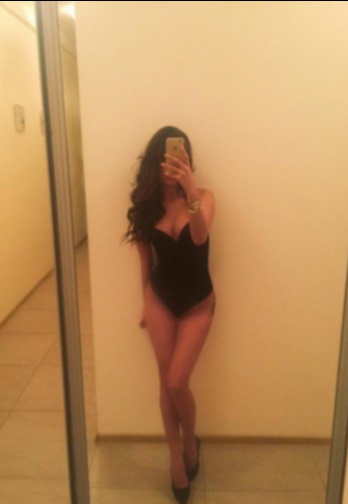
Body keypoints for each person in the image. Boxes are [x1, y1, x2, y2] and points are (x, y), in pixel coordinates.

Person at [122, 125, 216, 503]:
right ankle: (176, 458)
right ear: (154, 162)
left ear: (187, 159)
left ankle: (191, 444)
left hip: (198, 303)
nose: (171, 165)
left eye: (179, 156)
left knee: (178, 382)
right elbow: (146, 262)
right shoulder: (146, 207)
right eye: (165, 158)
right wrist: (145, 303)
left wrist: (189, 189)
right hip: (160, 298)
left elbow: (199, 236)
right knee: (165, 381)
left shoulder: (204, 197)